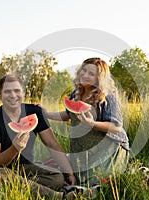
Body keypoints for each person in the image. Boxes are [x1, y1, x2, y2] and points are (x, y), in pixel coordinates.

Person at [0, 74, 77, 199]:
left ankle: (21, 187)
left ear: (23, 92)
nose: (13, 95)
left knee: (57, 177)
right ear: (0, 95)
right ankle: (58, 197)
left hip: (26, 168)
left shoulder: (35, 112)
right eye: (7, 91)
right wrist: (14, 149)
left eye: (17, 90)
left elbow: (52, 144)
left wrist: (69, 173)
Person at [45, 57, 130, 186]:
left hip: (108, 147)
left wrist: (92, 124)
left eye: (91, 74)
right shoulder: (76, 93)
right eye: (83, 71)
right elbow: (68, 115)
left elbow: (116, 126)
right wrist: (45, 114)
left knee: (98, 183)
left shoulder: (108, 96)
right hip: (83, 149)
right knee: (61, 174)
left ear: (99, 78)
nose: (85, 75)